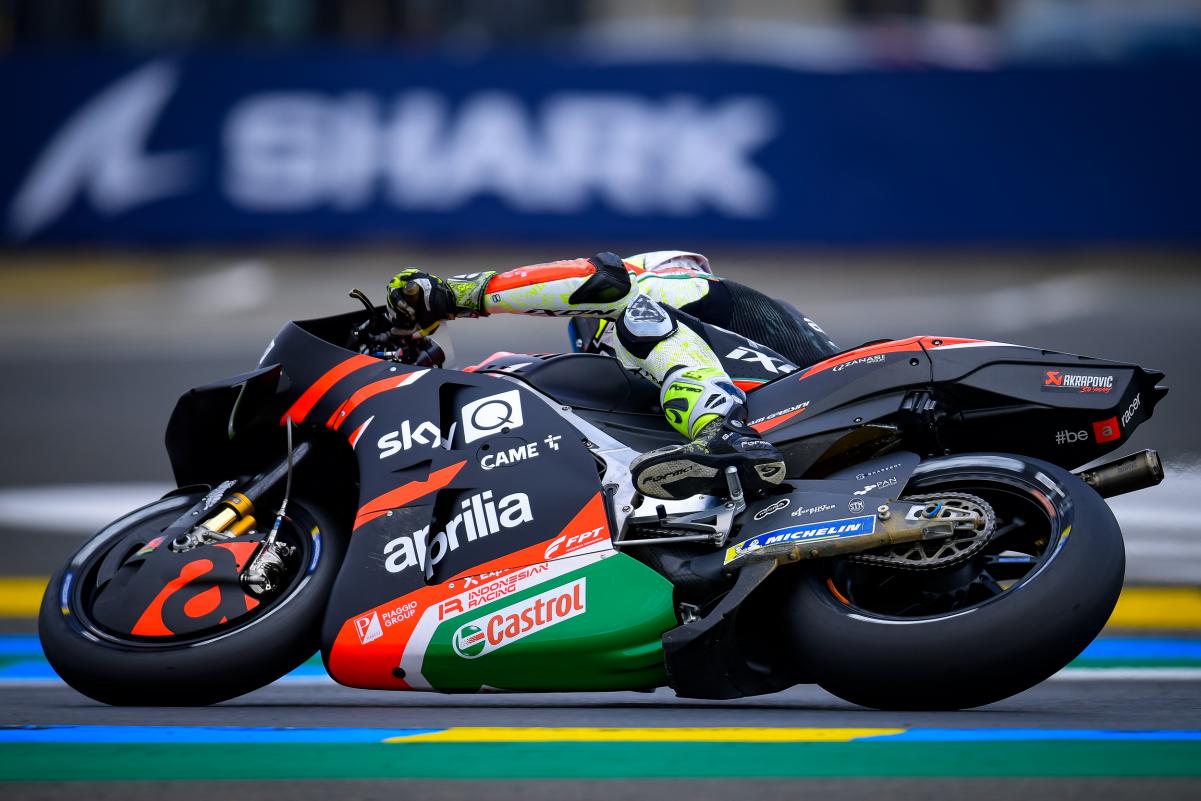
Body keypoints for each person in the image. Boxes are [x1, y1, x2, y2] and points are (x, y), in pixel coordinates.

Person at [386, 251, 836, 501]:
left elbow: (604, 282)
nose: (589, 347)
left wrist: (458, 295)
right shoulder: (760, 323)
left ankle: (722, 432)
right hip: (802, 418)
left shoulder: (672, 288)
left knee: (631, 315)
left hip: (777, 414)